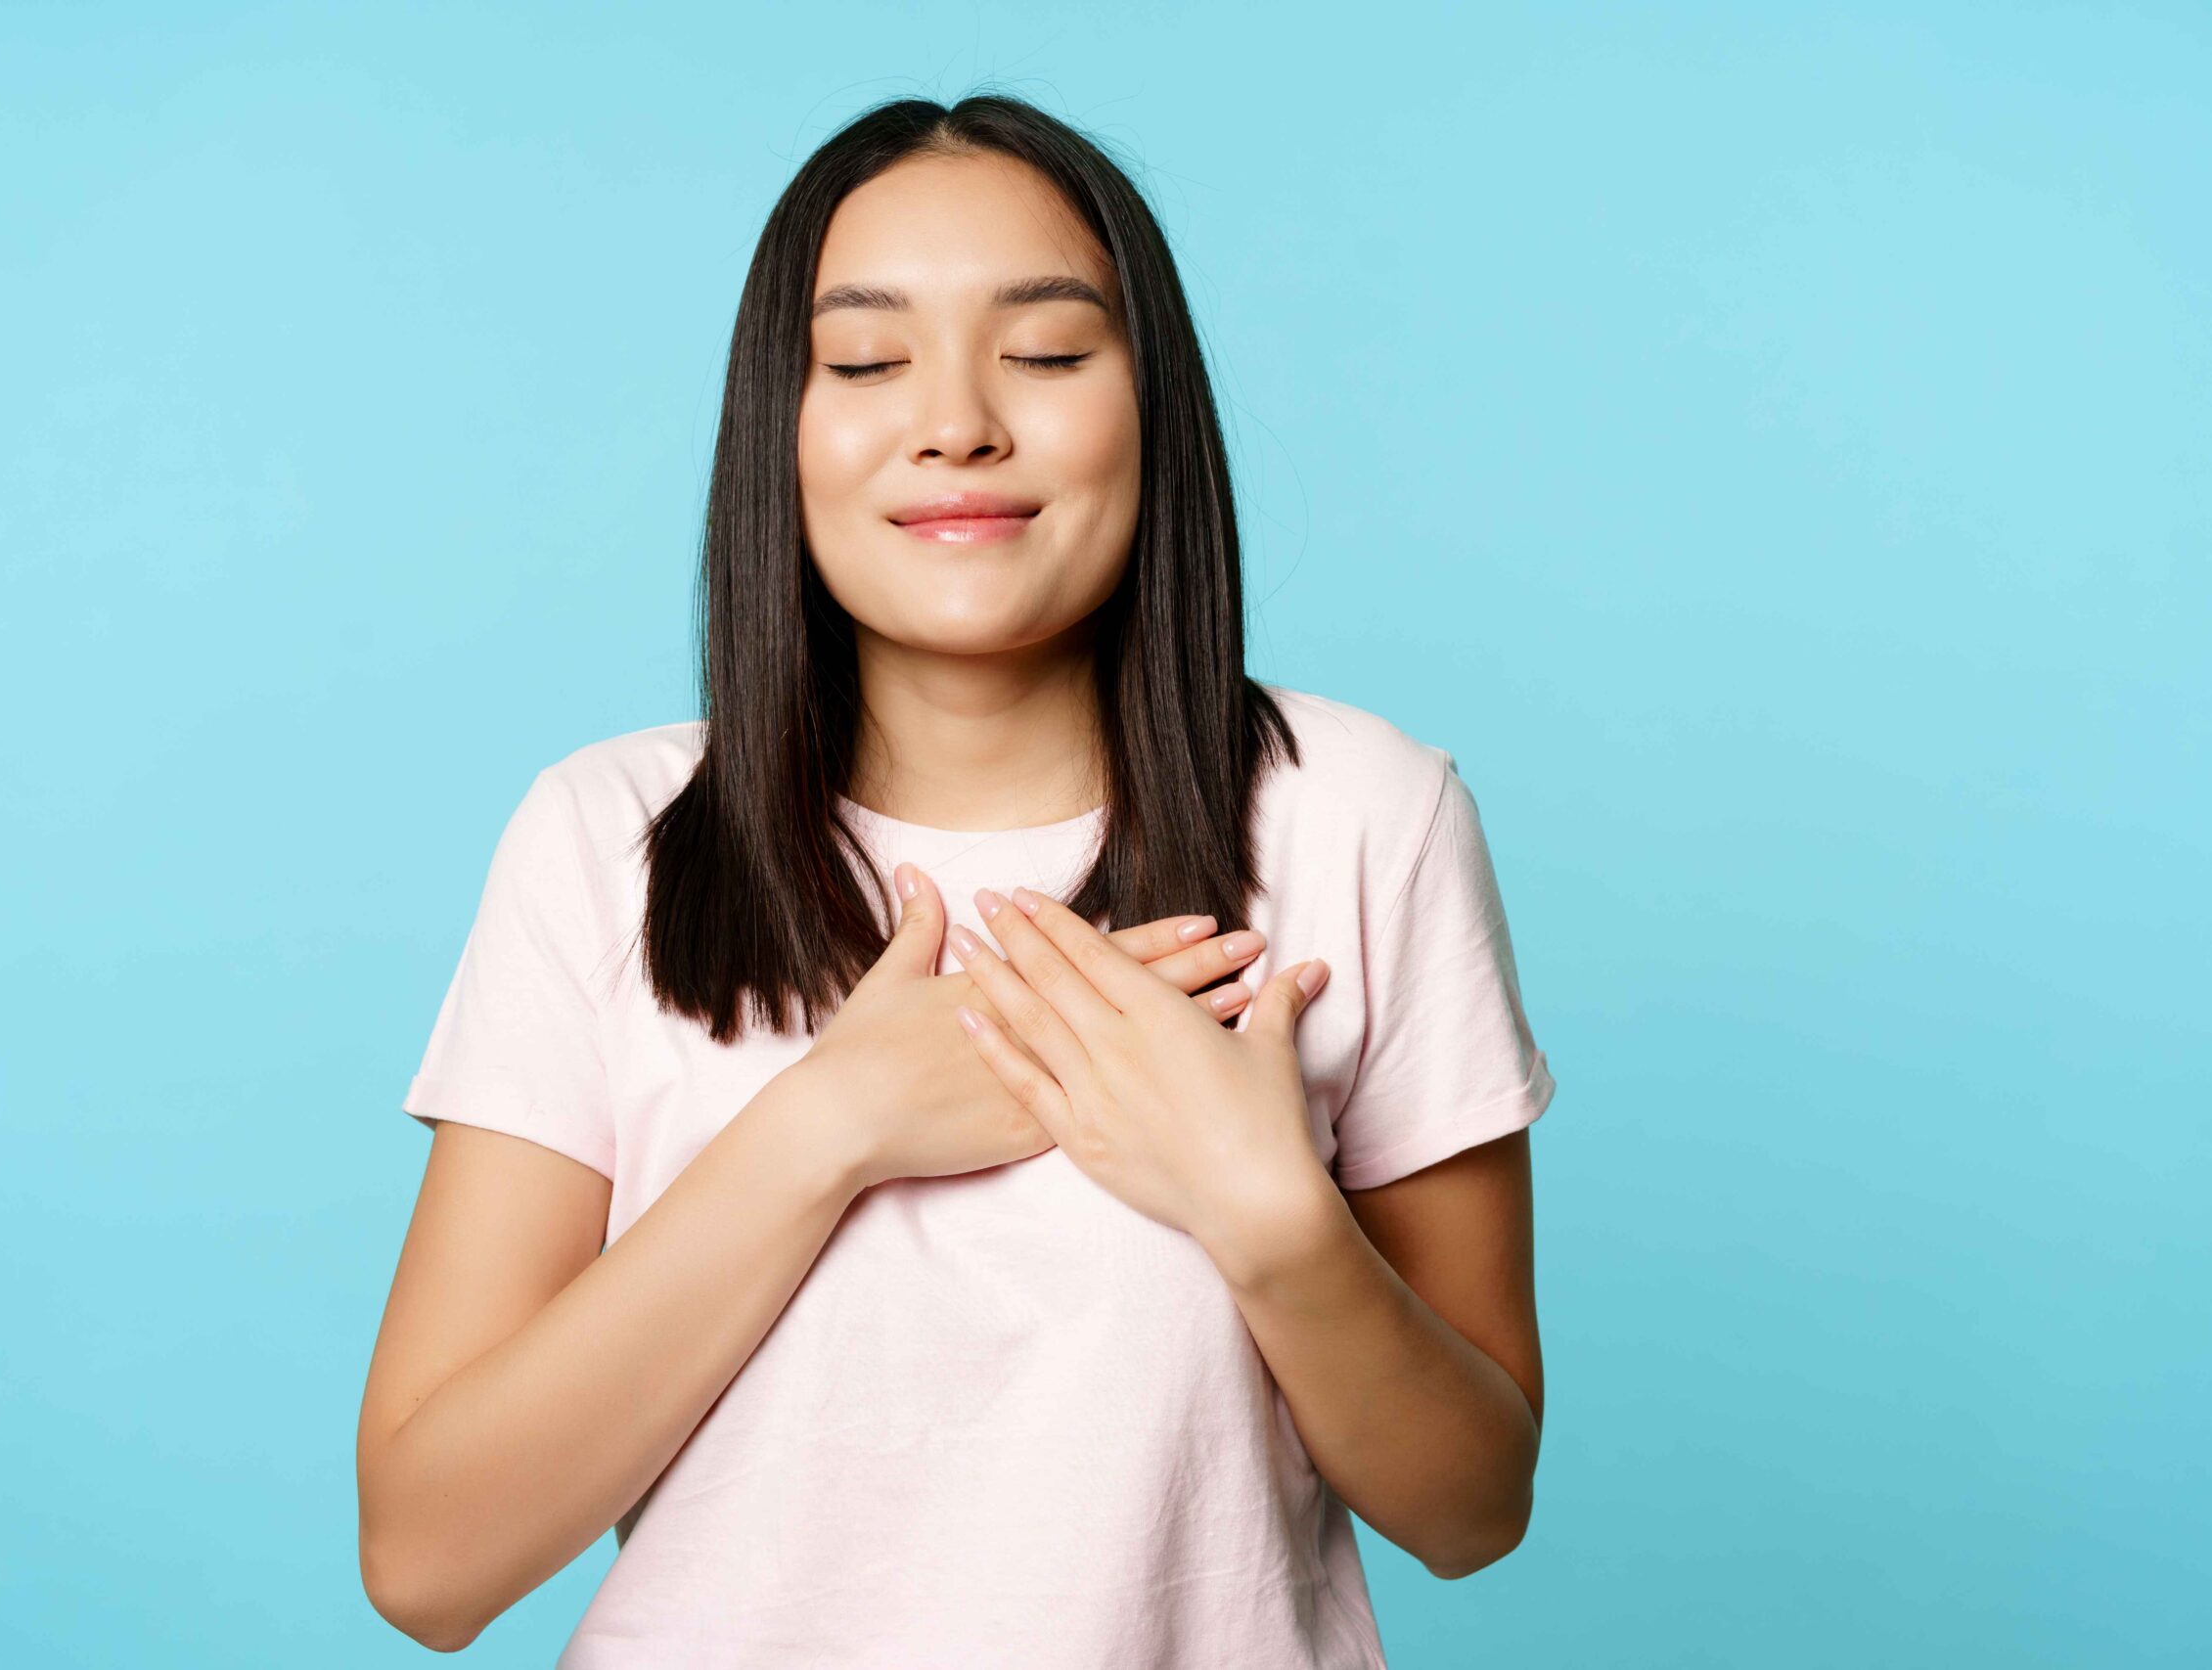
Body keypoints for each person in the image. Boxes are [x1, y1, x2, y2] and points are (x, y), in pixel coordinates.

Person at [355, 92, 1557, 1669]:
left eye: (1049, 355)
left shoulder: (1364, 819)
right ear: (776, 425)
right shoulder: (609, 836)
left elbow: (1471, 1510)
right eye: (864, 362)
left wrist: (1267, 1213)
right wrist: (830, 1127)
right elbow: (428, 1562)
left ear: (1155, 408)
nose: (958, 423)